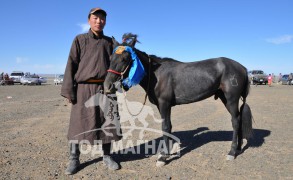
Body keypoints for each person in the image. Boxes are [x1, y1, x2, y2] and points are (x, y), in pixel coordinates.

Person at [61, 8, 122, 175]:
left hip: (106, 88)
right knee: (77, 124)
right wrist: (69, 90)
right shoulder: (79, 40)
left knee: (107, 123)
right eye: (95, 18)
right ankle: (74, 158)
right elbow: (71, 64)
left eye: (102, 18)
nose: (99, 21)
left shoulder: (110, 42)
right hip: (83, 88)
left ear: (105, 22)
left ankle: (107, 156)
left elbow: (117, 65)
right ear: (89, 20)